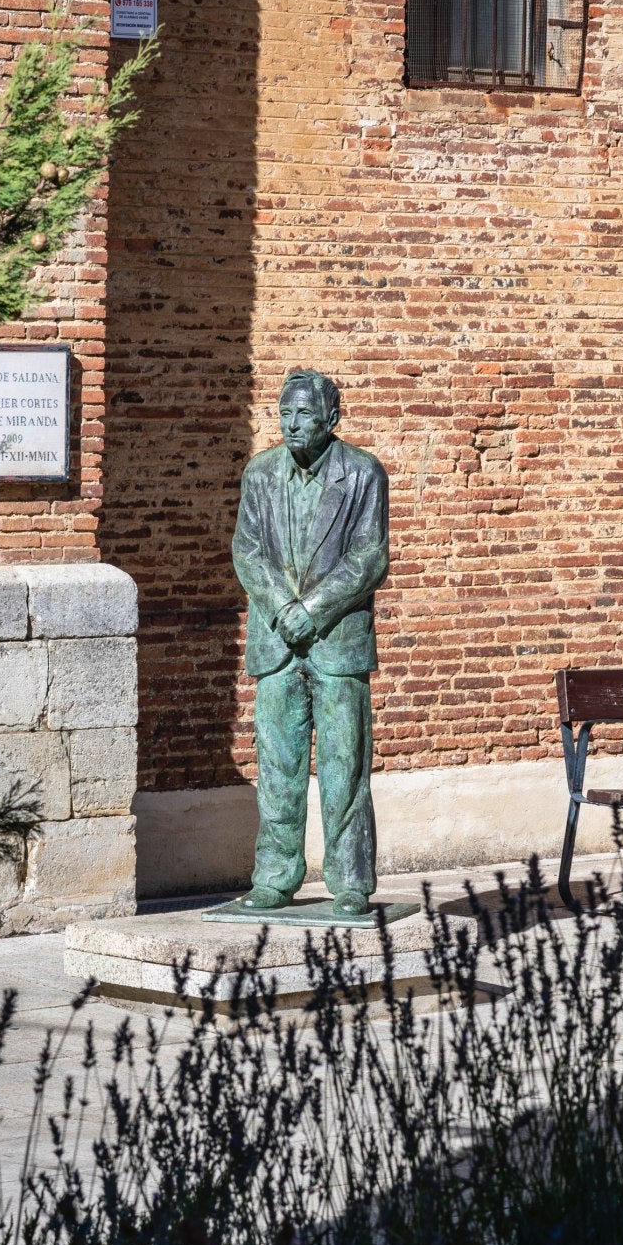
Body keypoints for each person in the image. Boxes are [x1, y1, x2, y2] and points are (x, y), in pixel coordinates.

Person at [230, 369, 390, 917]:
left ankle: (349, 881)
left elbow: (369, 557)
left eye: (303, 414)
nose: (292, 424)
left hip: (337, 642)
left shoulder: (363, 473)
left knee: (346, 767)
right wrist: (282, 610)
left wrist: (313, 612)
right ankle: (275, 876)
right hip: (277, 642)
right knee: (277, 765)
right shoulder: (260, 475)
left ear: (331, 419)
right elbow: (247, 551)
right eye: (285, 413)